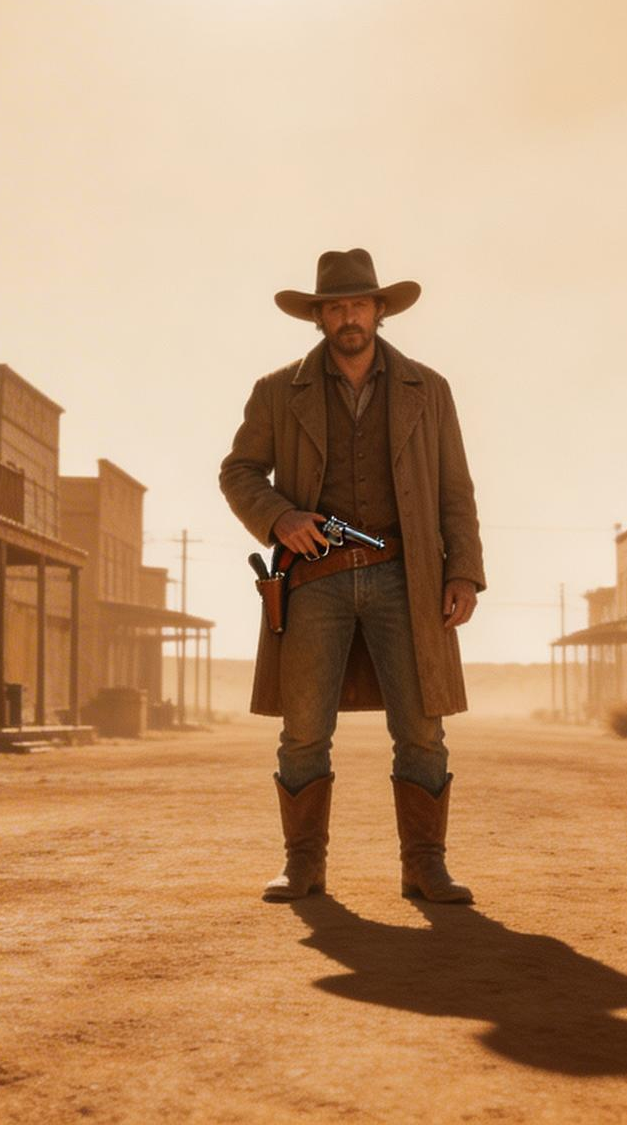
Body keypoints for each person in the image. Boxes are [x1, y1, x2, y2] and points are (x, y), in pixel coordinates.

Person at [220, 249, 485, 905]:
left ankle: (425, 866)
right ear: (318, 318)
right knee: (304, 727)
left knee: (423, 727)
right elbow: (239, 471)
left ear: (380, 311)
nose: (348, 317)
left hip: (409, 576)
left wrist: (466, 574)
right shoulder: (277, 392)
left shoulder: (431, 388)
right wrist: (279, 519)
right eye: (334, 307)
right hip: (314, 580)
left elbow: (456, 488)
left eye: (358, 305)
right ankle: (302, 866)